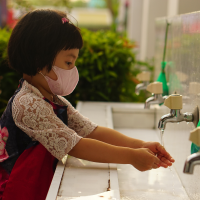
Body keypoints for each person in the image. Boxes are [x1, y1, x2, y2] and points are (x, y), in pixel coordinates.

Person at [0, 9, 174, 200]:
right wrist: (131, 157)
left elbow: (91, 131)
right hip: (16, 192)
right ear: (38, 60)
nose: (72, 70)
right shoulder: (28, 104)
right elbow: (75, 145)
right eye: (68, 62)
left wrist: (141, 145)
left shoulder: (51, 98)